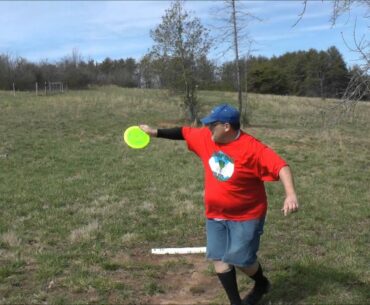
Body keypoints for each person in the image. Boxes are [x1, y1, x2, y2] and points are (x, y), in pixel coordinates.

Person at [140, 103, 299, 305]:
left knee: (242, 260)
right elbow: (183, 132)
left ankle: (261, 283)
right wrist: (153, 132)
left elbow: (281, 166)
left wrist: (290, 194)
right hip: (215, 213)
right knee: (219, 258)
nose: (207, 128)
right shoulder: (207, 137)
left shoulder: (253, 148)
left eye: (211, 125)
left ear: (226, 127)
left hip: (246, 214)